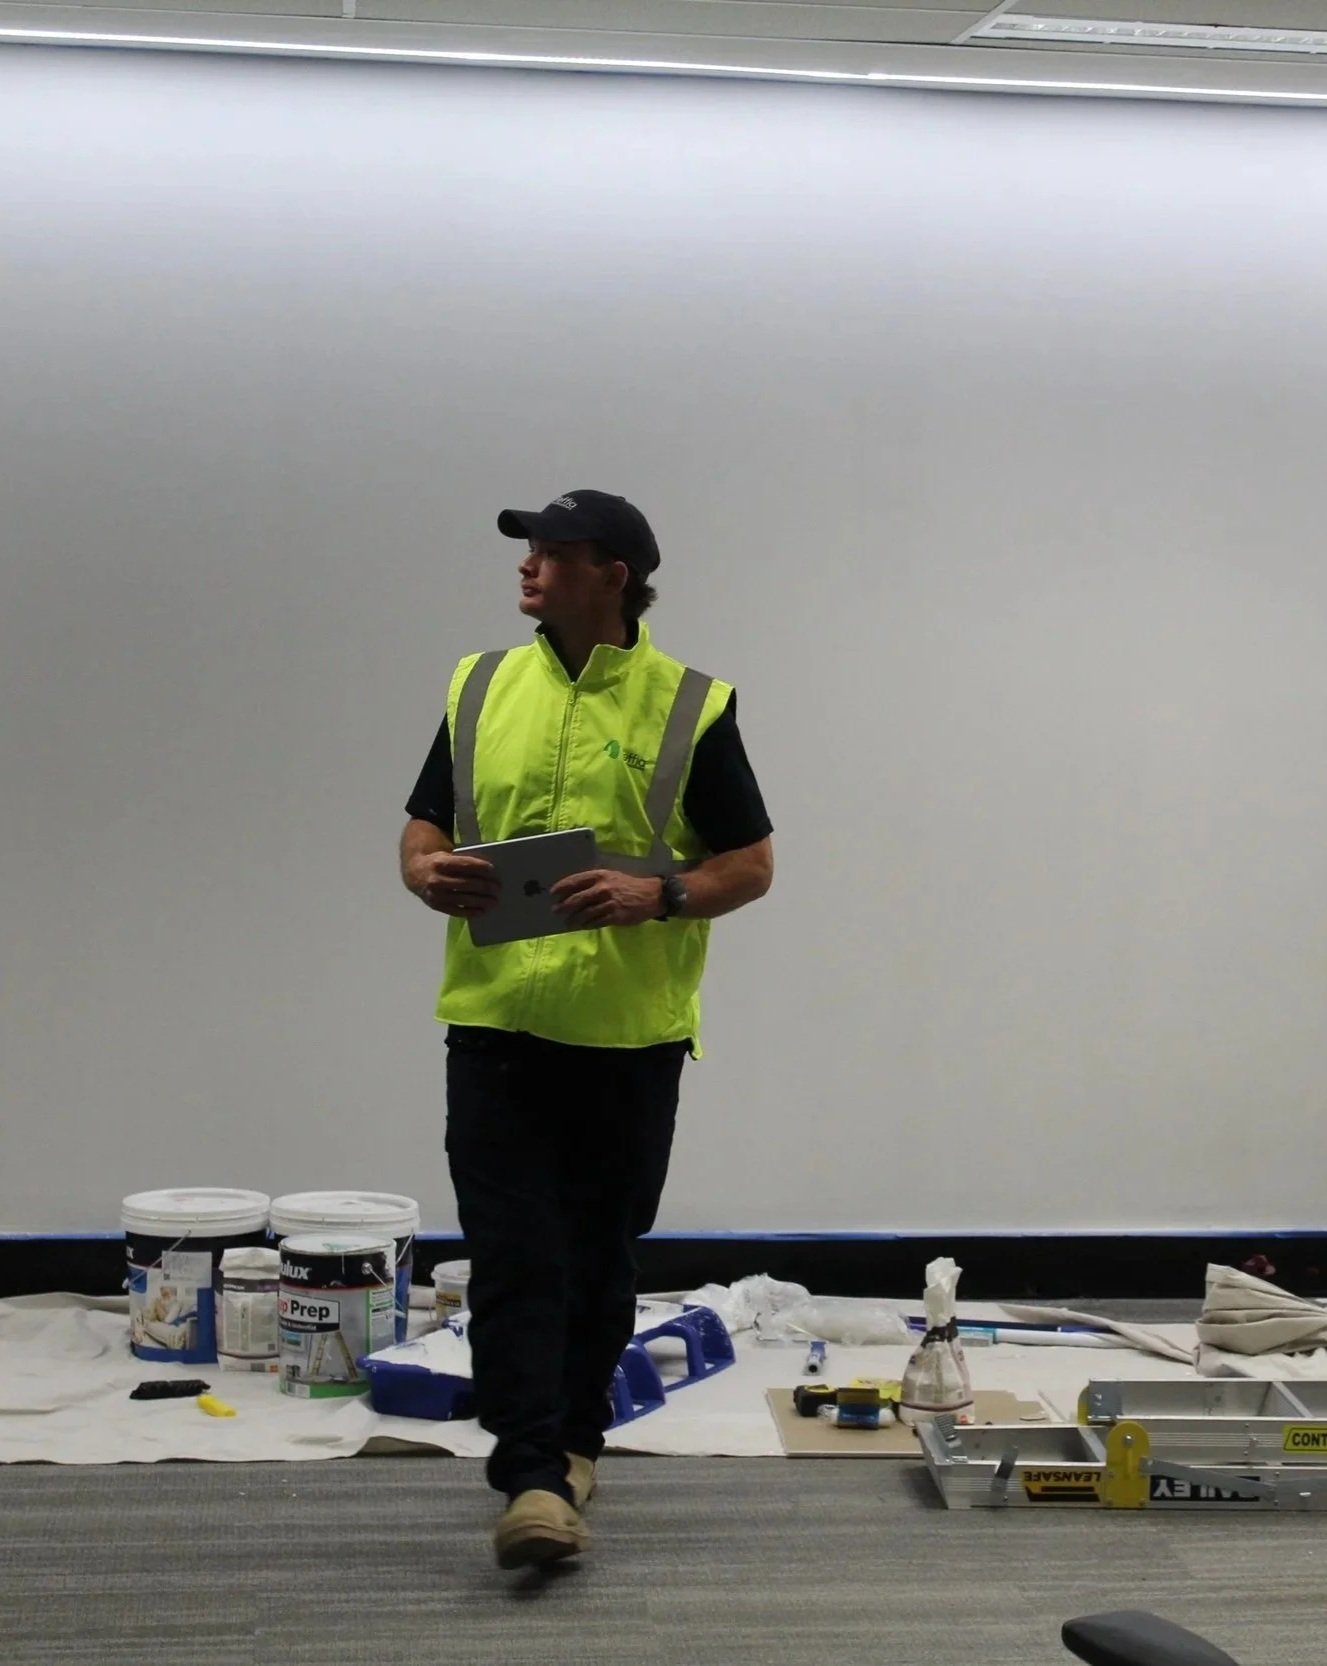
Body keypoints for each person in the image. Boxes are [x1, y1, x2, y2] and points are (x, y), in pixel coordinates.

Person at [399, 489, 773, 1570]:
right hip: (497, 1021)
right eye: (526, 550)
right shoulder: (480, 683)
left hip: (626, 1036)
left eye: (553, 552)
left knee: (596, 1258)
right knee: (515, 1254)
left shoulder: (691, 705)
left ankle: (572, 1442)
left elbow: (747, 865)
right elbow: (422, 827)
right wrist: (426, 873)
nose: (529, 567)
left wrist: (654, 895)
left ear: (614, 573)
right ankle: (530, 1474)